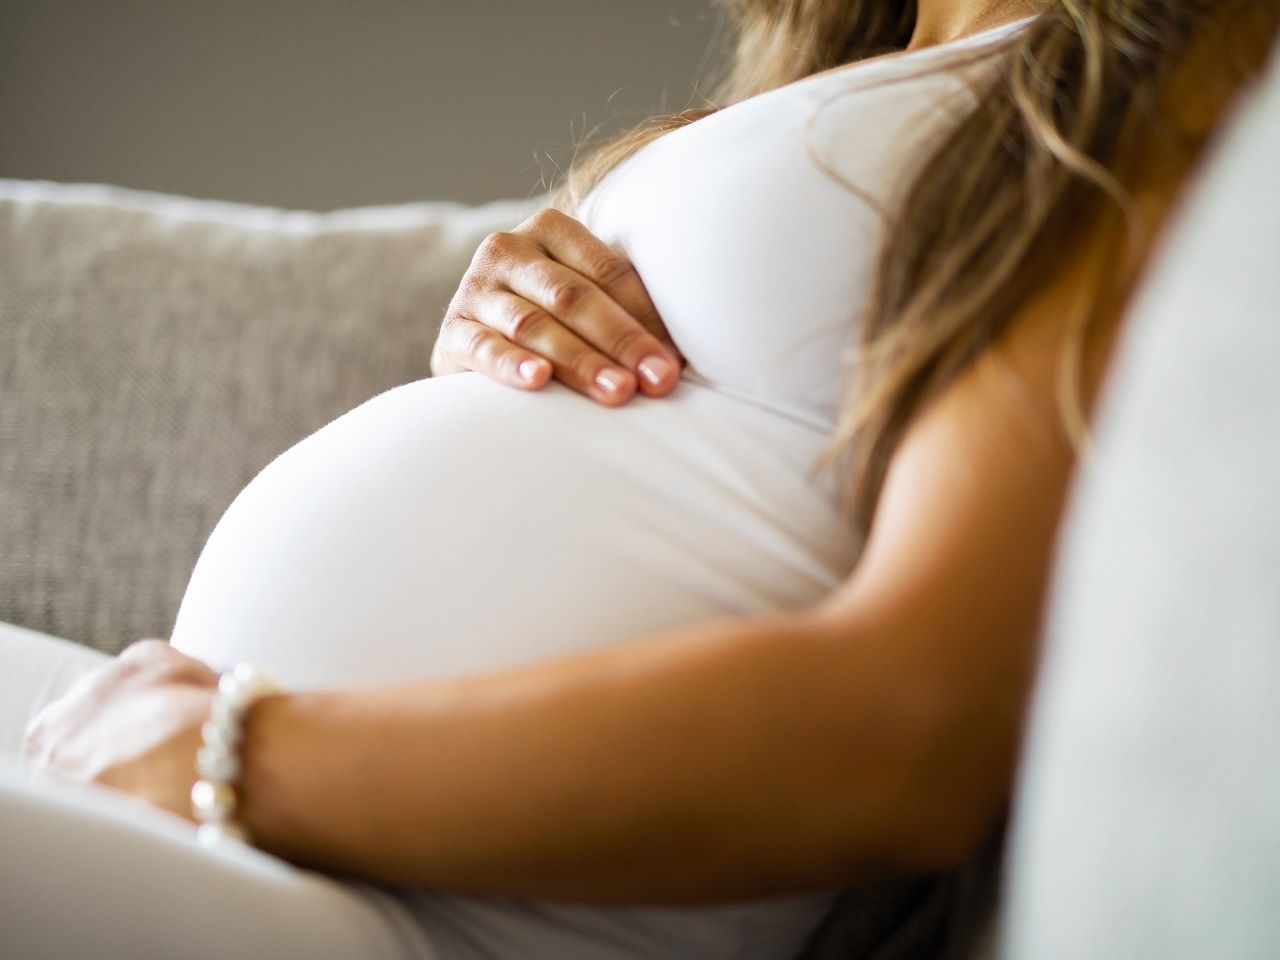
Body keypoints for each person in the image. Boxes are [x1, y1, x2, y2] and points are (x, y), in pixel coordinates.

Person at [4, 1, 1276, 958]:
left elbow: (912, 721)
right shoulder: (872, 50)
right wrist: (503, 352)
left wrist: (235, 755)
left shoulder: (1169, 68)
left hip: (419, 911)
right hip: (263, 820)